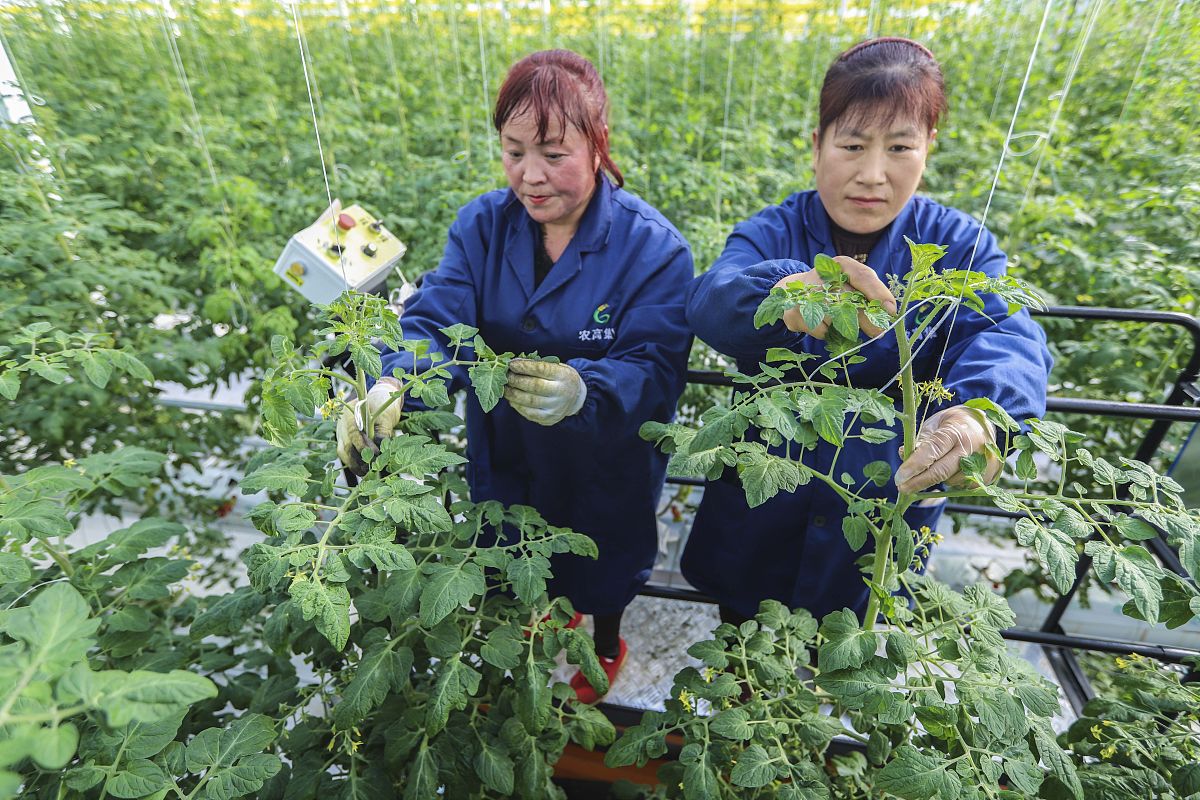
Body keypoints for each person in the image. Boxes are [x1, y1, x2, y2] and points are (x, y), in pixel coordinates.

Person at [336, 50, 693, 703]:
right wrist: (394, 383)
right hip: (507, 452)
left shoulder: (653, 249)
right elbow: (436, 317)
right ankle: (530, 631)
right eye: (513, 151)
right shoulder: (482, 227)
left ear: (596, 145)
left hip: (603, 463)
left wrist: (589, 389)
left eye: (554, 154)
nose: (530, 176)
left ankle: (606, 643)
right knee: (508, 559)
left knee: (601, 567)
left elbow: (657, 365)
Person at [681, 37, 1053, 626]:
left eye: (900, 146)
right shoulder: (775, 230)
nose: (872, 175)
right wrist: (788, 298)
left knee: (849, 640)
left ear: (929, 147)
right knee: (746, 643)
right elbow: (710, 299)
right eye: (852, 144)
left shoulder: (959, 246)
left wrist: (977, 418)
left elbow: (1006, 337)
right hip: (765, 503)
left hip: (882, 510)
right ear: (817, 146)